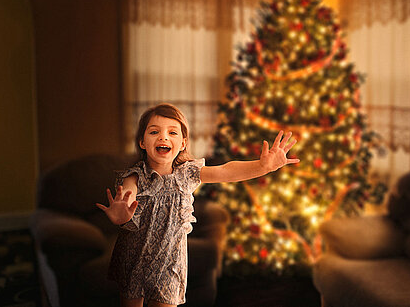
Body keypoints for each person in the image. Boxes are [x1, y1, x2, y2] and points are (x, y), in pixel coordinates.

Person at [96, 103, 299, 307]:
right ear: (142, 142)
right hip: (135, 258)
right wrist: (123, 214)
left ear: (183, 143)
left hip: (170, 263)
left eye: (172, 132)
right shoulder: (135, 176)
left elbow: (226, 171)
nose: (163, 137)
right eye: (154, 131)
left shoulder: (188, 173)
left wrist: (262, 166)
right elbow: (128, 194)